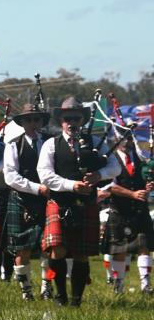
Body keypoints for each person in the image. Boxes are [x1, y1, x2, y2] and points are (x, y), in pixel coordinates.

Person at [37, 96, 121, 307]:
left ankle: (76, 300)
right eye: (67, 119)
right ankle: (60, 297)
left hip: (86, 204)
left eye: (75, 118)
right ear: (61, 121)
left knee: (82, 254)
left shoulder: (94, 142)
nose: (71, 122)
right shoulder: (51, 144)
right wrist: (71, 185)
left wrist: (98, 175)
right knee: (58, 250)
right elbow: (45, 175)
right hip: (60, 202)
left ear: (82, 119)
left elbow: (115, 168)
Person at [3, 103, 52, 301]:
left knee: (48, 246)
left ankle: (47, 287)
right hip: (23, 199)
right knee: (21, 247)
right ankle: (26, 291)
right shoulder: (14, 144)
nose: (33, 123)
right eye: (28, 120)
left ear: (42, 121)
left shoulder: (50, 143)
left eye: (37, 119)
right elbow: (10, 177)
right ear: (22, 122)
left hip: (47, 200)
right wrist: (37, 188)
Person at [103, 134, 154, 294]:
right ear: (116, 141)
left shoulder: (140, 158)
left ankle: (146, 286)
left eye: (130, 139)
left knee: (144, 246)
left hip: (139, 210)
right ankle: (119, 287)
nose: (127, 142)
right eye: (123, 139)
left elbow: (143, 179)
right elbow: (109, 186)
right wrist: (132, 194)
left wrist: (148, 186)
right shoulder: (110, 160)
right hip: (120, 210)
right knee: (120, 250)